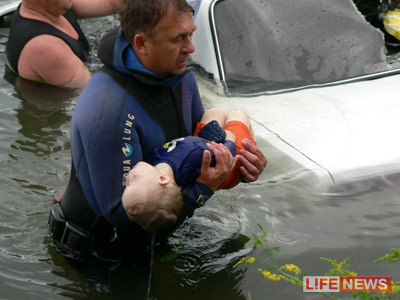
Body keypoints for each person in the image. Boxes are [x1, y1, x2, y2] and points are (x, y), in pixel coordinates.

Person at [48, 0, 267, 266]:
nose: (191, 47)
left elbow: (199, 143)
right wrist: (202, 188)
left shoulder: (179, 75)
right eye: (178, 38)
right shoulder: (108, 110)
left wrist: (241, 165)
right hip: (101, 254)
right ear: (141, 43)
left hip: (159, 234)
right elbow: (121, 210)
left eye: (191, 34)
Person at [122, 108, 256, 234]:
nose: (129, 176)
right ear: (162, 179)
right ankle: (251, 142)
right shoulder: (195, 157)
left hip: (200, 143)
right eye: (134, 181)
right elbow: (227, 154)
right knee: (239, 114)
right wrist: (229, 138)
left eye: (127, 183)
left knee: (214, 112)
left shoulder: (156, 164)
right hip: (228, 164)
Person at [5, 0, 124, 89]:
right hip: (54, 108)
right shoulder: (44, 48)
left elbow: (112, 4)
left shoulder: (54, 6)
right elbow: (95, 91)